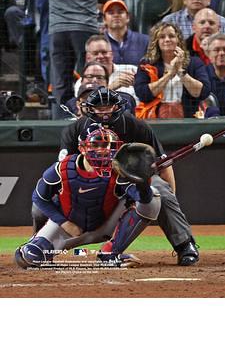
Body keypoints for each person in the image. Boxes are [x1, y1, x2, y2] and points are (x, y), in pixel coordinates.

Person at [31, 87, 200, 266]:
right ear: (89, 108)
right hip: (87, 182)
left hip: (127, 180)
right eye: (99, 107)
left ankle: (184, 244)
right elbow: (64, 170)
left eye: (108, 106)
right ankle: (41, 245)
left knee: (161, 192)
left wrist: (169, 199)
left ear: (117, 106)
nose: (104, 111)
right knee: (39, 207)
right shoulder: (74, 130)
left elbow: (164, 165)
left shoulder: (136, 126)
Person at [16, 125, 161, 269]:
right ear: (82, 148)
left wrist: (142, 182)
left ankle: (110, 253)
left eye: (106, 145)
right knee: (28, 256)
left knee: (153, 197)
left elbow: (144, 201)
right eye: (96, 144)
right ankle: (50, 251)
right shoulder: (61, 169)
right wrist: (64, 222)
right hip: (68, 226)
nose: (102, 149)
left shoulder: (119, 170)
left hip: (106, 225)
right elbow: (39, 198)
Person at [47, 0, 109, 119]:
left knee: (60, 83)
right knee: (91, 78)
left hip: (58, 29)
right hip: (85, 28)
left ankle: (61, 123)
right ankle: (92, 119)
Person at [134, 22, 210, 118]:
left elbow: (202, 92)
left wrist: (180, 71)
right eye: (162, 37)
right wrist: (169, 74)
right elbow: (142, 93)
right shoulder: (146, 63)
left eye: (171, 36)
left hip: (188, 117)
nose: (167, 40)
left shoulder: (194, 62)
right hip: (154, 117)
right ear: (156, 41)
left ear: (179, 40)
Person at [102, 0, 148, 66]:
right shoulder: (98, 43)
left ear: (128, 17)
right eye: (111, 13)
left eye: (120, 12)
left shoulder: (145, 41)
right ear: (104, 19)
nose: (116, 15)